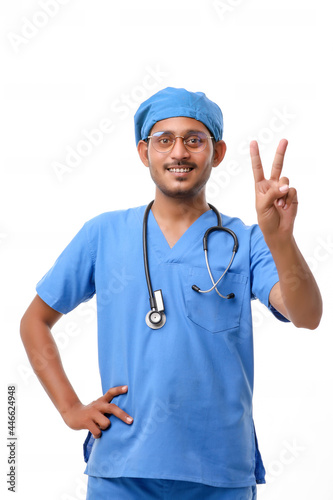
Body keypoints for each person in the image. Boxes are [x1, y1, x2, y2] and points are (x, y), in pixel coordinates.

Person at [20, 87, 322, 500]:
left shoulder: (246, 241)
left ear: (217, 153)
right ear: (144, 152)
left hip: (220, 474)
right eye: (165, 140)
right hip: (123, 471)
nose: (179, 151)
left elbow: (307, 315)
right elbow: (34, 321)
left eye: (194, 140)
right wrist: (71, 408)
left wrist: (280, 239)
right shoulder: (104, 234)